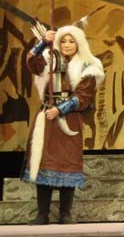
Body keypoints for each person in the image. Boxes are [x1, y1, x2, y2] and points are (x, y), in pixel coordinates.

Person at [23, 22, 105, 225]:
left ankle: (65, 214)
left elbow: (83, 97)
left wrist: (60, 109)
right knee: (43, 163)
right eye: (63, 41)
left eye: (71, 41)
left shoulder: (89, 67)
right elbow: (32, 63)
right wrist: (43, 42)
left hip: (69, 120)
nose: (67, 45)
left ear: (79, 44)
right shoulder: (49, 59)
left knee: (68, 163)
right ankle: (42, 214)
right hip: (46, 120)